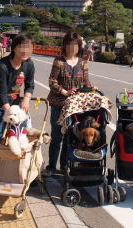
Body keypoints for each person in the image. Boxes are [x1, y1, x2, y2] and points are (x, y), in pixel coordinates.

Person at [43, 31, 96, 176]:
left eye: (75, 45)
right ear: (65, 45)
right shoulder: (59, 61)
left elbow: (86, 82)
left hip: (76, 107)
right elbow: (52, 81)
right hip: (59, 104)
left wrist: (92, 89)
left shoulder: (84, 63)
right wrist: (64, 91)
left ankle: (65, 166)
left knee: (70, 137)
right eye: (69, 45)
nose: (72, 48)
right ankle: (52, 167)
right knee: (57, 136)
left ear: (79, 46)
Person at [0, 34, 35, 175]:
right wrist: (10, 113)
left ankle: (14, 171)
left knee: (18, 137)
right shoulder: (3, 65)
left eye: (29, 48)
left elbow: (30, 85)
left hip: (15, 104)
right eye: (21, 47)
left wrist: (26, 99)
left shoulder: (29, 64)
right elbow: (1, 92)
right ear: (14, 48)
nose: (25, 51)